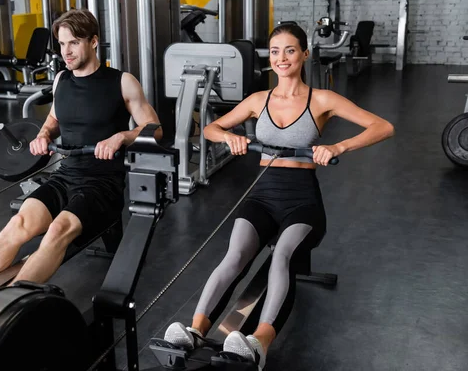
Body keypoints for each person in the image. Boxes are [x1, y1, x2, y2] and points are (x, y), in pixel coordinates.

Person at [163, 23, 394, 369]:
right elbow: (210, 127)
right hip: (262, 195)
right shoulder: (259, 100)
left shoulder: (322, 100)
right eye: (274, 51)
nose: (281, 58)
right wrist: (230, 138)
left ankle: (259, 343)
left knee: (282, 256)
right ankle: (196, 330)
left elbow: (383, 126)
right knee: (236, 255)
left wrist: (338, 145)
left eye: (289, 50)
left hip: (301, 201)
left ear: (304, 54)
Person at [0, 9, 162, 310]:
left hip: (102, 184)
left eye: (74, 43)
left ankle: (3, 301)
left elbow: (155, 129)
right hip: (66, 175)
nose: (66, 51)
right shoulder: (62, 80)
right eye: (62, 44)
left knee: (59, 229)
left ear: (93, 42)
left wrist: (121, 138)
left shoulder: (122, 82)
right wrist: (44, 135)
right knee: (19, 223)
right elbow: (53, 119)